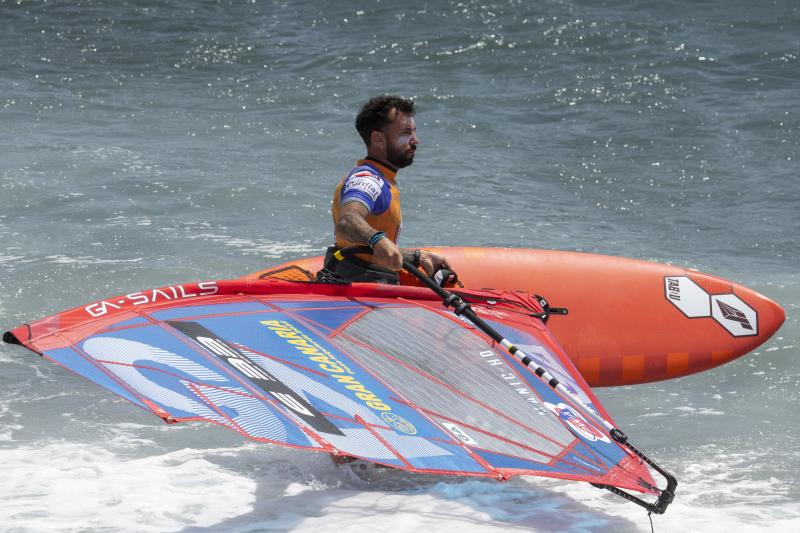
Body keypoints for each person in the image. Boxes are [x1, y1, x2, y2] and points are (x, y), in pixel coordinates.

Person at [319, 95, 450, 284]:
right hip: (362, 290)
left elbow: (365, 251)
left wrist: (416, 257)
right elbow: (348, 220)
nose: (415, 140)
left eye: (414, 132)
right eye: (406, 133)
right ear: (378, 139)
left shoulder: (383, 178)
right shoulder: (368, 180)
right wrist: (377, 239)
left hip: (362, 276)